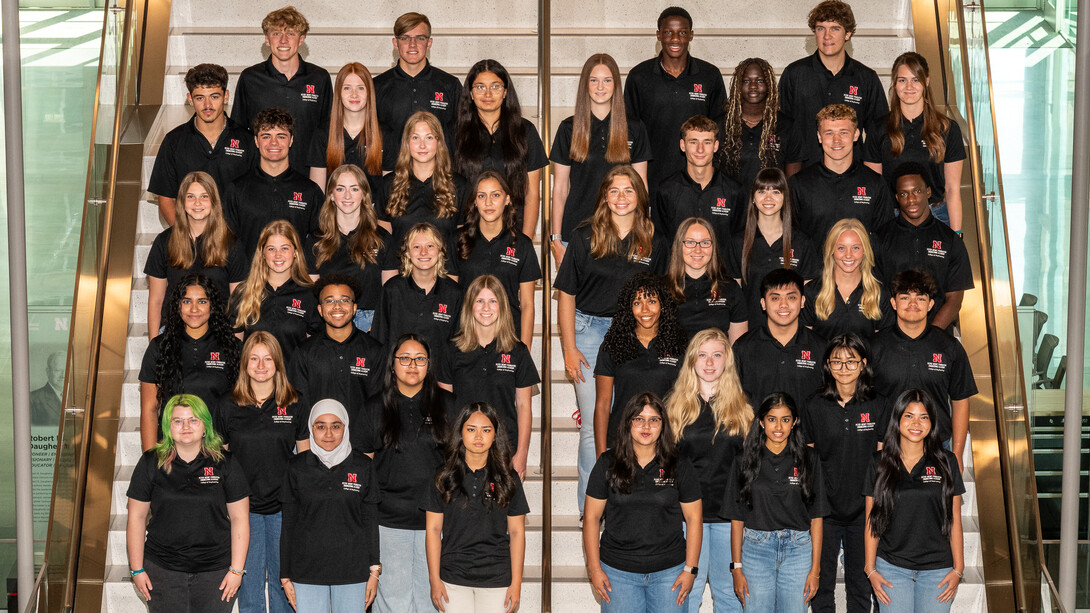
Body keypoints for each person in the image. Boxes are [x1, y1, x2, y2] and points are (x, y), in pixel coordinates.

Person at [554, 164, 667, 513]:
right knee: (593, 427)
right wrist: (569, 349)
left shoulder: (654, 240)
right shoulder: (585, 236)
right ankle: (592, 514)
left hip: (635, 337)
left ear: (639, 196)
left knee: (631, 420)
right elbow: (567, 295)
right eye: (614, 190)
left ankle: (628, 505)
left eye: (628, 190)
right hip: (588, 334)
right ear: (605, 196)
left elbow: (660, 299)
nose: (621, 197)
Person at [126, 394, 250, 612]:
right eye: (178, 421)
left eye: (193, 420)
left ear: (205, 426)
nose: (186, 426)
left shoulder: (225, 463)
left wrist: (236, 571)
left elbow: (240, 519)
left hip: (216, 573)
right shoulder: (150, 463)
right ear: (168, 426)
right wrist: (137, 569)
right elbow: (136, 518)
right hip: (162, 571)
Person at [584, 392, 703, 612]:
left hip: (670, 573)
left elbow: (694, 518)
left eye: (654, 419)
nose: (646, 426)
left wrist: (690, 569)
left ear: (663, 424)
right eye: (638, 419)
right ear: (628, 423)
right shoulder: (607, 463)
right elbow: (591, 518)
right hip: (618, 574)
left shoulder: (679, 463)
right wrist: (594, 568)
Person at [217, 332, 309, 613]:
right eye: (254, 358)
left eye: (267, 359)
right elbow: (220, 460)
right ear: (245, 364)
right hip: (245, 511)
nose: (260, 365)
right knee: (250, 588)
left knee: (285, 586)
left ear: (278, 363)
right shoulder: (228, 405)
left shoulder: (295, 402)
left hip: (285, 508)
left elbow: (304, 459)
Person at [365, 334, 456, 613]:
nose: (412, 365)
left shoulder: (450, 405)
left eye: (420, 359)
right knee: (393, 603)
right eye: (404, 358)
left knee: (434, 602)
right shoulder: (374, 407)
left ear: (429, 365)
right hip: (388, 523)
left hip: (437, 522)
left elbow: (459, 463)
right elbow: (363, 468)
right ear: (393, 364)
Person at [801, 333, 890, 613]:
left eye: (851, 361)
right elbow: (810, 460)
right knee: (822, 586)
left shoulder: (878, 403)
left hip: (864, 511)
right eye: (836, 362)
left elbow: (882, 461)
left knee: (861, 587)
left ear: (863, 364)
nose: (843, 368)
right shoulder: (814, 404)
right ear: (827, 365)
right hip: (824, 511)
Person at [667, 328, 753, 613]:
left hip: (729, 516)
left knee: (729, 595)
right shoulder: (674, 408)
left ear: (727, 360)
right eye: (702, 355)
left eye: (717, 355)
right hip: (687, 516)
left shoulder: (744, 409)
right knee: (685, 595)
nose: (709, 362)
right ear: (692, 360)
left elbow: (751, 468)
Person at [722, 392, 828, 613]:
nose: (778, 426)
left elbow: (817, 518)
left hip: (798, 551)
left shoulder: (810, 459)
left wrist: (815, 570)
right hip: (755, 551)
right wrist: (737, 569)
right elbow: (737, 519)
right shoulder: (743, 460)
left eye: (785, 419)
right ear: (761, 422)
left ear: (794, 422)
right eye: (772, 419)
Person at [863, 389, 965, 612]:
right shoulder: (879, 463)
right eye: (909, 415)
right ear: (897, 419)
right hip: (891, 568)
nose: (916, 423)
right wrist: (870, 569)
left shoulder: (947, 462)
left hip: (938, 570)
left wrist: (958, 569)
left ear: (932, 422)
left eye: (924, 416)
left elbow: (954, 517)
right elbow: (872, 521)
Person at [425, 403, 529, 612]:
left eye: (486, 430)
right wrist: (434, 580)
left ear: (495, 435)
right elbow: (433, 530)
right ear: (460, 433)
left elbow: (517, 532)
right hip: (452, 578)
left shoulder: (509, 478)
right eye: (471, 429)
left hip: (496, 578)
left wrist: (516, 584)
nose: (479, 436)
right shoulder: (442, 476)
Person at [549, 53, 651, 266]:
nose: (600, 87)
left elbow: (641, 185)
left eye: (607, 80)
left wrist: (643, 227)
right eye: (593, 80)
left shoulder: (635, 128)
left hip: (624, 231)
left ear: (616, 84)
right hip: (575, 231)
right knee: (572, 299)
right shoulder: (569, 129)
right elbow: (559, 188)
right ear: (585, 85)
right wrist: (556, 239)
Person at [280, 399, 381, 612]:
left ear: (345, 427)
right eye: (320, 426)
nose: (328, 434)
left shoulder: (363, 465)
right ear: (311, 428)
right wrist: (285, 576)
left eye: (336, 426)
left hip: (353, 572)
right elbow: (288, 524)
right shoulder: (296, 467)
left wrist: (374, 572)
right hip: (306, 571)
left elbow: (370, 521)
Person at [869, 270, 977, 470]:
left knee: (938, 503)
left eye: (920, 298)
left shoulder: (949, 347)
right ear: (893, 303)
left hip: (937, 446)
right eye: (905, 297)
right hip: (887, 446)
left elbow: (961, 400)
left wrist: (958, 454)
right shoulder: (875, 346)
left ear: (930, 305)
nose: (912, 303)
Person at [439, 275, 539, 478]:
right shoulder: (451, 350)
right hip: (461, 449)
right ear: (469, 306)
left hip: (504, 448)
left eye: (493, 301)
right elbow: (444, 409)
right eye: (480, 301)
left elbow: (523, 406)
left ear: (502, 306)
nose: (486, 307)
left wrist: (522, 454)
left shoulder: (518, 352)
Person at [624, 7, 726, 196]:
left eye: (682, 33)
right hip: (652, 179)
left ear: (691, 35)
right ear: (658, 35)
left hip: (698, 180)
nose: (675, 39)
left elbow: (719, 128)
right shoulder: (639, 76)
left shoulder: (709, 75)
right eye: (668, 32)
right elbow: (629, 132)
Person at [778, 0, 887, 174]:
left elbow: (879, 134)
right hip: (804, 177)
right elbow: (782, 131)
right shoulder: (794, 74)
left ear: (848, 34)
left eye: (835, 28)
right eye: (821, 28)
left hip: (853, 177)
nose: (827, 36)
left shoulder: (866, 78)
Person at [139, 274, 240, 451]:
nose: (194, 309)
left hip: (218, 451)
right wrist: (150, 461)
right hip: (173, 450)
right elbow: (149, 409)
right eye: (187, 301)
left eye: (202, 301)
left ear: (212, 305)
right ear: (178, 305)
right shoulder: (159, 347)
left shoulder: (232, 348)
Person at [148, 63, 256, 225]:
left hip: (235, 240)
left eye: (214, 96)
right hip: (190, 238)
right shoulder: (174, 141)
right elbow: (166, 199)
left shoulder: (247, 140)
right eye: (200, 98)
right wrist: (186, 238)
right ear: (190, 99)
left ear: (226, 96)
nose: (207, 105)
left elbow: (256, 194)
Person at [145, 171, 247, 339]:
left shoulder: (231, 244)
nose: (197, 203)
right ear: (182, 202)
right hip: (174, 334)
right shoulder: (164, 242)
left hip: (218, 336)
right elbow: (156, 301)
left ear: (214, 202)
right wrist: (154, 347)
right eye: (191, 196)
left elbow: (238, 305)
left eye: (204, 197)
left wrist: (235, 349)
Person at [871, 52, 966, 231]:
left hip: (937, 217)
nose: (909, 86)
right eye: (902, 80)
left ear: (926, 82)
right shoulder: (878, 128)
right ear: (894, 83)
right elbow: (874, 189)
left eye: (916, 80)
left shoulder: (947, 129)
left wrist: (957, 234)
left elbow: (953, 189)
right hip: (892, 219)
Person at [454, 59, 547, 238]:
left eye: (495, 86)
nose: (488, 93)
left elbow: (532, 193)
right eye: (480, 87)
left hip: (513, 231)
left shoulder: (525, 132)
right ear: (470, 93)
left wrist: (525, 242)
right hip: (467, 235)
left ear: (505, 92)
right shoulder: (455, 133)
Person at [231, 7, 331, 173]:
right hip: (260, 177)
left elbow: (328, 132)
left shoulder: (319, 78)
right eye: (276, 33)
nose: (283, 40)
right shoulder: (250, 78)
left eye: (291, 33)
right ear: (267, 39)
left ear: (301, 39)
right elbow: (238, 132)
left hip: (307, 177)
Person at [595, 272, 687, 453]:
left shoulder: (679, 344)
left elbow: (686, 399)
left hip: (666, 441)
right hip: (622, 441)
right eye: (637, 303)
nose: (645, 310)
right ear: (628, 308)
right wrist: (601, 455)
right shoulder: (612, 345)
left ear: (663, 305)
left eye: (651, 301)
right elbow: (603, 404)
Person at [876, 163, 973, 330]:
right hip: (891, 336)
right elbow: (874, 293)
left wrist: (930, 336)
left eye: (917, 191)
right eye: (904, 194)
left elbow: (955, 299)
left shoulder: (950, 240)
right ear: (897, 198)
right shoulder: (880, 238)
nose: (911, 199)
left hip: (938, 334)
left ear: (928, 192)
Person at [724, 168, 820, 330]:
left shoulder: (802, 242)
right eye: (762, 191)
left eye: (776, 191)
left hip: (792, 334)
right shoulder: (738, 242)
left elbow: (808, 299)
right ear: (753, 198)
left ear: (785, 198)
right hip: (750, 333)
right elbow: (734, 299)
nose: (768, 198)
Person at [224, 107, 324, 257]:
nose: (274, 143)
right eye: (266, 136)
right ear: (256, 141)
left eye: (281, 136)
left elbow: (320, 242)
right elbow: (228, 244)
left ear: (291, 140)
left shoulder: (310, 190)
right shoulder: (237, 190)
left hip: (296, 279)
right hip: (250, 279)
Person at [456, 171, 541, 346]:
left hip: (508, 338)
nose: (488, 202)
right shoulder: (457, 240)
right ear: (475, 202)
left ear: (507, 199)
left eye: (495, 195)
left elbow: (527, 304)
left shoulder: (522, 244)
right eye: (482, 196)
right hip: (466, 338)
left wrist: (523, 351)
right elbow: (450, 297)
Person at [304, 164, 392, 333]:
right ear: (330, 194)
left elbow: (390, 296)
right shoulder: (316, 241)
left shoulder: (382, 239)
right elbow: (312, 296)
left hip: (372, 324)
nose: (347, 196)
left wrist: (375, 330)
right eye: (340, 189)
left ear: (364, 195)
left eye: (354, 189)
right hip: (329, 322)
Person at [788, 104, 894, 243]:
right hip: (814, 265)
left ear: (856, 135)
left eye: (843, 132)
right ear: (819, 136)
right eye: (829, 133)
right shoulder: (799, 184)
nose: (836, 140)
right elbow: (791, 238)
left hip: (862, 265)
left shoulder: (875, 183)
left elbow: (885, 238)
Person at [374, 12, 462, 172]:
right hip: (391, 178)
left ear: (429, 43)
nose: (412, 44)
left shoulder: (450, 85)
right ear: (395, 43)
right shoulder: (377, 86)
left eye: (420, 38)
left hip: (440, 178)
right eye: (405, 38)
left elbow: (462, 136)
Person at [288, 274, 387, 415]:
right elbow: (299, 406)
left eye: (344, 300)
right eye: (329, 301)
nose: (337, 307)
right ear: (320, 310)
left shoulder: (374, 350)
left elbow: (379, 405)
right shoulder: (304, 352)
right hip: (317, 436)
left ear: (354, 308)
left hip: (362, 435)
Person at [379, 111, 468, 264]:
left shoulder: (459, 185)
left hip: (446, 277)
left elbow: (462, 242)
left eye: (429, 137)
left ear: (438, 141)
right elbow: (384, 243)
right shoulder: (389, 184)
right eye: (415, 138)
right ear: (406, 142)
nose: (422, 145)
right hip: (400, 279)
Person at [372, 223, 463, 367]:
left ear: (440, 251)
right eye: (416, 247)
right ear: (407, 253)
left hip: (438, 381)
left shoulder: (454, 293)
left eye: (430, 246)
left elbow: (458, 348)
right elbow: (379, 341)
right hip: (397, 380)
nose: (423, 252)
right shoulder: (392, 290)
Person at [731, 269, 826, 406]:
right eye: (775, 298)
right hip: (756, 427)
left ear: (802, 301)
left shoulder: (821, 348)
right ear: (763, 303)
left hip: (806, 428)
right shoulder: (743, 347)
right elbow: (733, 400)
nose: (783, 304)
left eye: (791, 297)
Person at [230, 220, 321, 362]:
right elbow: (234, 349)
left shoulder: (310, 295)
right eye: (271, 249)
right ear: (262, 253)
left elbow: (312, 353)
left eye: (285, 248)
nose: (278, 255)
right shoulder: (243, 292)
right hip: (253, 380)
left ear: (295, 252)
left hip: (293, 381)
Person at [653, 115, 745, 251]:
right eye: (693, 142)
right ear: (682, 145)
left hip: (722, 271)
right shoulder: (666, 190)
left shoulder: (734, 191)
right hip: (678, 271)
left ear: (716, 146)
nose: (700, 149)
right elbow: (661, 244)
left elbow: (739, 244)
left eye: (707, 142)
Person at [802, 217, 893, 340]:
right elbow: (805, 343)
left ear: (865, 250)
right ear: (831, 250)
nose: (848, 255)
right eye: (841, 248)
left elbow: (882, 346)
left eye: (855, 248)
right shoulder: (812, 291)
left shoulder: (880, 294)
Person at [667, 218, 747, 343]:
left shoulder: (730, 288)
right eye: (690, 242)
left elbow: (738, 349)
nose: (698, 250)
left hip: (717, 362)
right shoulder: (661, 288)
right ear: (679, 245)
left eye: (705, 243)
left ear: (713, 247)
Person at [715, 58, 789, 192]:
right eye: (746, 81)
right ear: (738, 86)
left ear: (769, 85)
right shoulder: (719, 125)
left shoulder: (786, 126)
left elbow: (791, 178)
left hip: (770, 207)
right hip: (731, 206)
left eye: (760, 81)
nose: (753, 86)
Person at [307, 63, 383, 189]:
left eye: (361, 88)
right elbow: (318, 195)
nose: (354, 94)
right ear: (338, 93)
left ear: (369, 92)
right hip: (332, 209)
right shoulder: (322, 134)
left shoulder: (386, 135)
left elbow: (390, 196)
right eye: (347, 88)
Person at [30, 351, 65, 427]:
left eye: (67, 369)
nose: (63, 375)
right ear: (48, 372)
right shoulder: (32, 399)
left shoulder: (80, 397)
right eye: (58, 370)